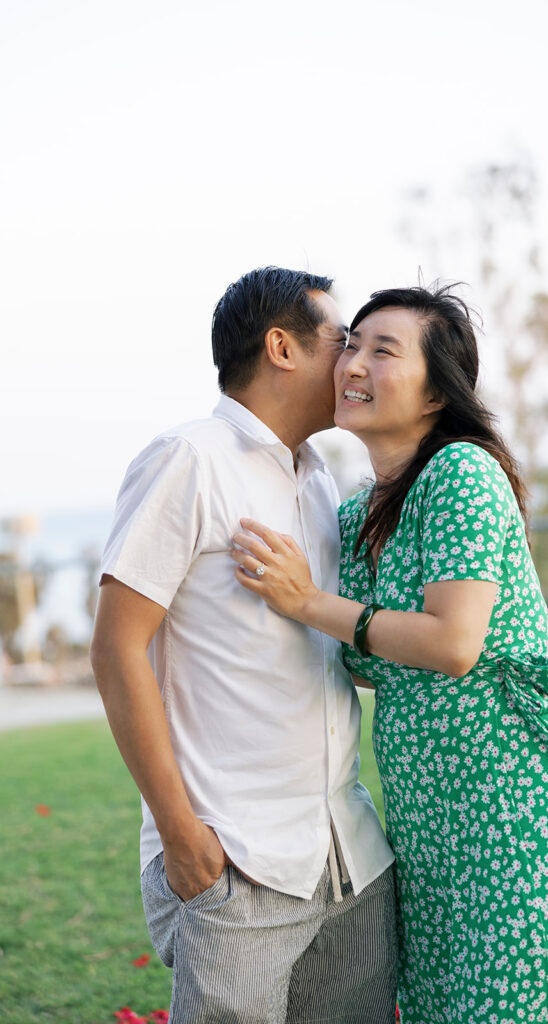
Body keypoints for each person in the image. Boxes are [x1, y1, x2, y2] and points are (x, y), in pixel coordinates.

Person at [230, 283, 548, 1024]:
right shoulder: (357, 512)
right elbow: (357, 651)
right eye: (350, 344)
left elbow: (452, 643)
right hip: (433, 840)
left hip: (520, 816)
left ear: (438, 390)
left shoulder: (459, 473)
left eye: (384, 349)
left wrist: (306, 601)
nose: (353, 363)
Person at [90, 267, 397, 1024]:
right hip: (236, 860)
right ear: (282, 347)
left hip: (348, 856)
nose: (354, 365)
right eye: (342, 342)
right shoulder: (188, 460)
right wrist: (180, 837)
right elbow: (116, 648)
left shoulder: (322, 479)